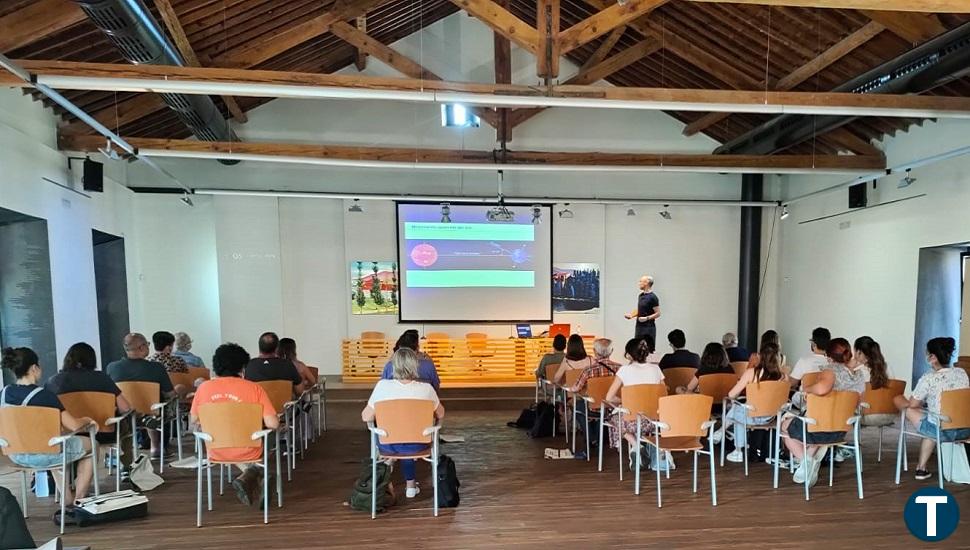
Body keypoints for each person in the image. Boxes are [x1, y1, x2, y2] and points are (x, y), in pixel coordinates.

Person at [1, 347, 95, 518]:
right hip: (45, 453)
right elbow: (74, 426)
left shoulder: (4, 393)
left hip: (17, 454)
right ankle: (78, 501)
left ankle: (66, 498)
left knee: (52, 443)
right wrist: (87, 420)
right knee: (91, 446)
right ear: (34, 368)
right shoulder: (45, 396)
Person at [190, 343, 279, 506]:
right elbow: (272, 424)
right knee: (268, 435)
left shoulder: (203, 388)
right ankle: (256, 472)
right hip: (249, 448)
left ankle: (254, 474)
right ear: (242, 367)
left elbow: (193, 421)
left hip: (215, 449)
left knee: (229, 438)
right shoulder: (254, 389)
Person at [780, 338, 864, 488]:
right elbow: (857, 403)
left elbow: (821, 389)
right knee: (818, 434)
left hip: (819, 430)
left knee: (784, 426)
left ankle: (806, 461)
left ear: (829, 356)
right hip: (841, 430)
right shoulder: (858, 376)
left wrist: (807, 389)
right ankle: (808, 462)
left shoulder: (829, 371)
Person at [361, 348, 444, 499]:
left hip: (388, 444)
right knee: (409, 437)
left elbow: (366, 416)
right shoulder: (427, 389)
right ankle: (410, 486)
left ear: (393, 365)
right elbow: (441, 413)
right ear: (415, 365)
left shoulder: (382, 387)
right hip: (419, 444)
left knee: (390, 436)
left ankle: (386, 473)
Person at [46, 342, 135, 471]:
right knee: (127, 425)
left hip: (66, 435)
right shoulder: (102, 378)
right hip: (103, 433)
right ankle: (126, 467)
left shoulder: (53, 381)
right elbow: (125, 408)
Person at [893, 337, 970, 481]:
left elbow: (913, 404)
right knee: (933, 417)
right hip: (965, 429)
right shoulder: (961, 373)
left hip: (943, 432)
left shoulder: (929, 378)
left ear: (932, 357)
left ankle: (921, 468)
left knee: (910, 409)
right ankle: (921, 469)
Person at [107, 333, 179, 457]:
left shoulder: (112, 368)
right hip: (152, 412)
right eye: (147, 344)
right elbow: (170, 394)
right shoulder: (156, 368)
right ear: (141, 348)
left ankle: (123, 451)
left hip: (123, 415)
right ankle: (155, 446)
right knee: (157, 405)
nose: (148, 347)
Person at [604, 338, 666, 469]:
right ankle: (640, 448)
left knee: (613, 419)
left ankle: (636, 445)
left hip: (631, 421)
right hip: (654, 422)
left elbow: (609, 397)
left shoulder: (624, 370)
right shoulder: (656, 369)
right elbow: (663, 395)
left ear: (629, 355)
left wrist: (625, 400)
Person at [719, 342, 787, 462]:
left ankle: (738, 449)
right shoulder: (783, 377)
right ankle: (722, 433)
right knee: (739, 409)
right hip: (771, 417)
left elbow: (731, 394)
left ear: (760, 356)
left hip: (751, 416)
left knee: (737, 408)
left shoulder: (752, 373)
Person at [245, 332, 307, 397]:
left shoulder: (250, 365)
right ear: (277, 349)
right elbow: (300, 392)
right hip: (284, 406)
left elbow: (247, 392)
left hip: (260, 406)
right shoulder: (287, 364)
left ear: (259, 347)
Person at [852, 336, 894, 426]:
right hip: (890, 415)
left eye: (854, 351)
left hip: (868, 415)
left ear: (859, 352)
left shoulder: (858, 371)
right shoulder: (887, 366)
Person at [625, 275, 661, 343]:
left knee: (648, 348)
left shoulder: (653, 297)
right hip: (639, 327)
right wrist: (631, 315)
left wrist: (646, 318)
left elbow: (658, 313)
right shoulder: (641, 296)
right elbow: (640, 309)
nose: (639, 283)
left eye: (640, 281)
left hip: (648, 328)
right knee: (637, 347)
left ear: (646, 283)